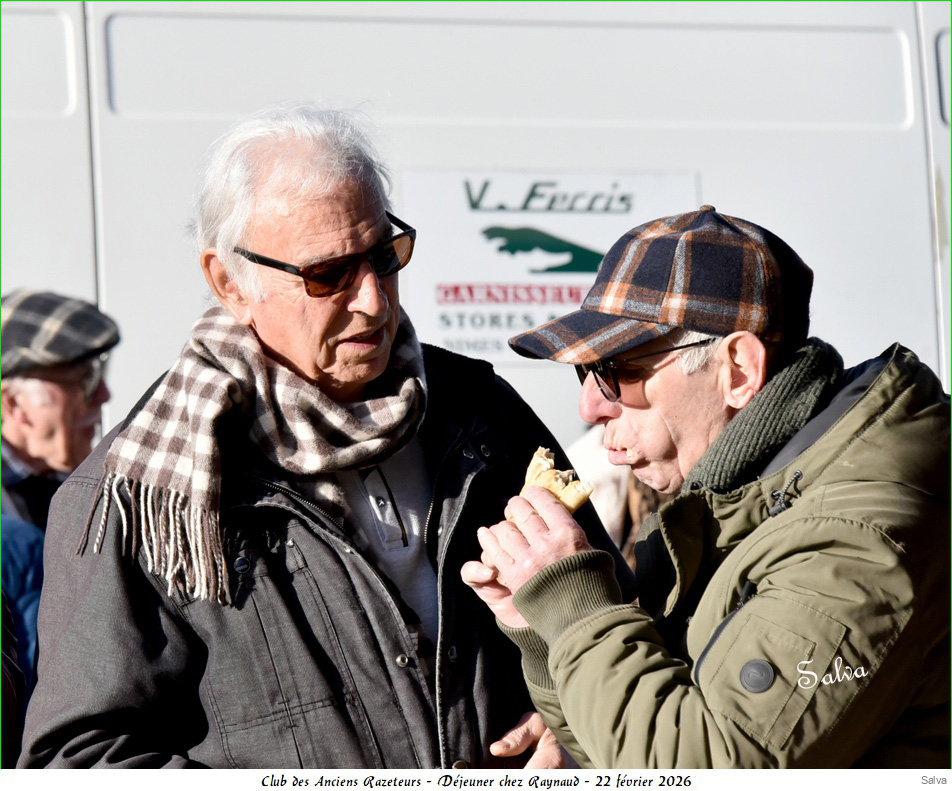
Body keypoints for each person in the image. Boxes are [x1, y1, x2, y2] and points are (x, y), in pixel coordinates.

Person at [18, 104, 633, 769]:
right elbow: (77, 760)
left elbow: (619, 623)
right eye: (328, 274)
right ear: (229, 282)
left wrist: (575, 721)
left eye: (384, 256)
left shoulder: (479, 413)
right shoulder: (140, 489)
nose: (373, 300)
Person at [462, 205, 950, 768]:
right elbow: (628, 752)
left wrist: (577, 609)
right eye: (585, 371)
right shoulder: (736, 504)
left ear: (737, 370)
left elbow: (705, 768)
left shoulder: (858, 536)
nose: (589, 406)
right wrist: (546, 629)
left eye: (619, 370)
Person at [1, 290, 119, 690]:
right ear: (13, 405)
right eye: (83, 380)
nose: (104, 395)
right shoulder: (11, 535)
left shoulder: (83, 489)